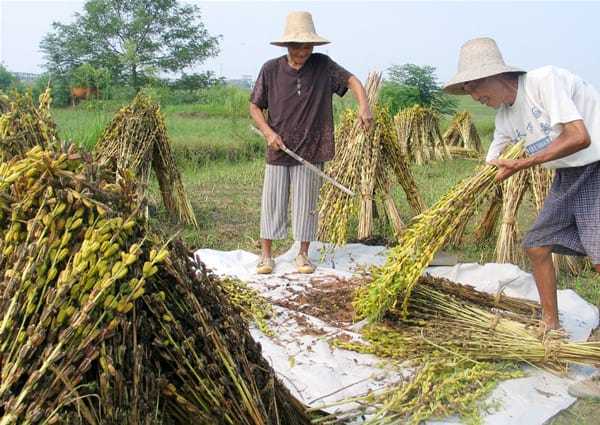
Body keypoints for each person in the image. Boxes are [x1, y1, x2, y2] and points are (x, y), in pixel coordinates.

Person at [443, 37, 600, 399]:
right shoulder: (504, 116)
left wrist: (525, 163)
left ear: (497, 76)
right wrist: (462, 198)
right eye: (467, 90)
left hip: (594, 165)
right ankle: (551, 325)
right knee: (536, 244)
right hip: (568, 175)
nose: (474, 96)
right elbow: (493, 164)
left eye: (475, 86)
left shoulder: (543, 82)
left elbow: (579, 136)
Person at [250, 11, 372, 275]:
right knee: (272, 201)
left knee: (307, 205)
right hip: (279, 147)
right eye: (297, 47)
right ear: (286, 46)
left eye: (307, 47)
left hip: (312, 147)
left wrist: (364, 106)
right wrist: (269, 133)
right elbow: (254, 107)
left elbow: (352, 81)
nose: (303, 52)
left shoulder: (323, 66)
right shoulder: (270, 69)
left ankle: (303, 255)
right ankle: (266, 256)